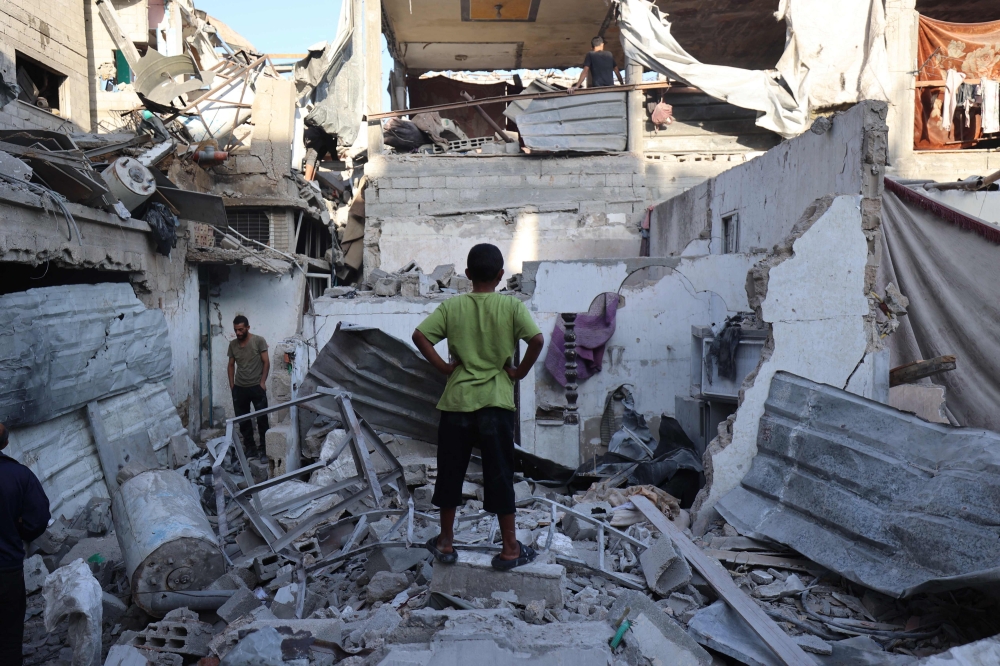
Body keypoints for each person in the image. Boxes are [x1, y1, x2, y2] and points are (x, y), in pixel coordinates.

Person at [413, 244, 545, 570]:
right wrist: (519, 372)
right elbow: (538, 341)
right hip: (497, 405)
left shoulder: (452, 307)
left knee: (450, 474)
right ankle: (510, 549)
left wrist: (445, 369)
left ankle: (445, 542)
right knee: (500, 474)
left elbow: (420, 336)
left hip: (457, 403)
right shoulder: (511, 307)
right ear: (501, 276)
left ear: (467, 275)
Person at [0, 422, 51, 666]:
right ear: (6, 444)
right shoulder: (19, 475)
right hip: (6, 571)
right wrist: (17, 526)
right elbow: (38, 520)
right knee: (9, 639)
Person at [228, 315, 270, 459]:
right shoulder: (233, 345)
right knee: (243, 421)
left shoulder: (258, 341)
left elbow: (266, 362)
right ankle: (250, 448)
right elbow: (231, 365)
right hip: (240, 388)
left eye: (240, 329)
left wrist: (263, 382)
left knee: (262, 420)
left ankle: (264, 449)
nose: (238, 333)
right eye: (235, 330)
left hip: (256, 387)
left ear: (247, 328)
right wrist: (232, 386)